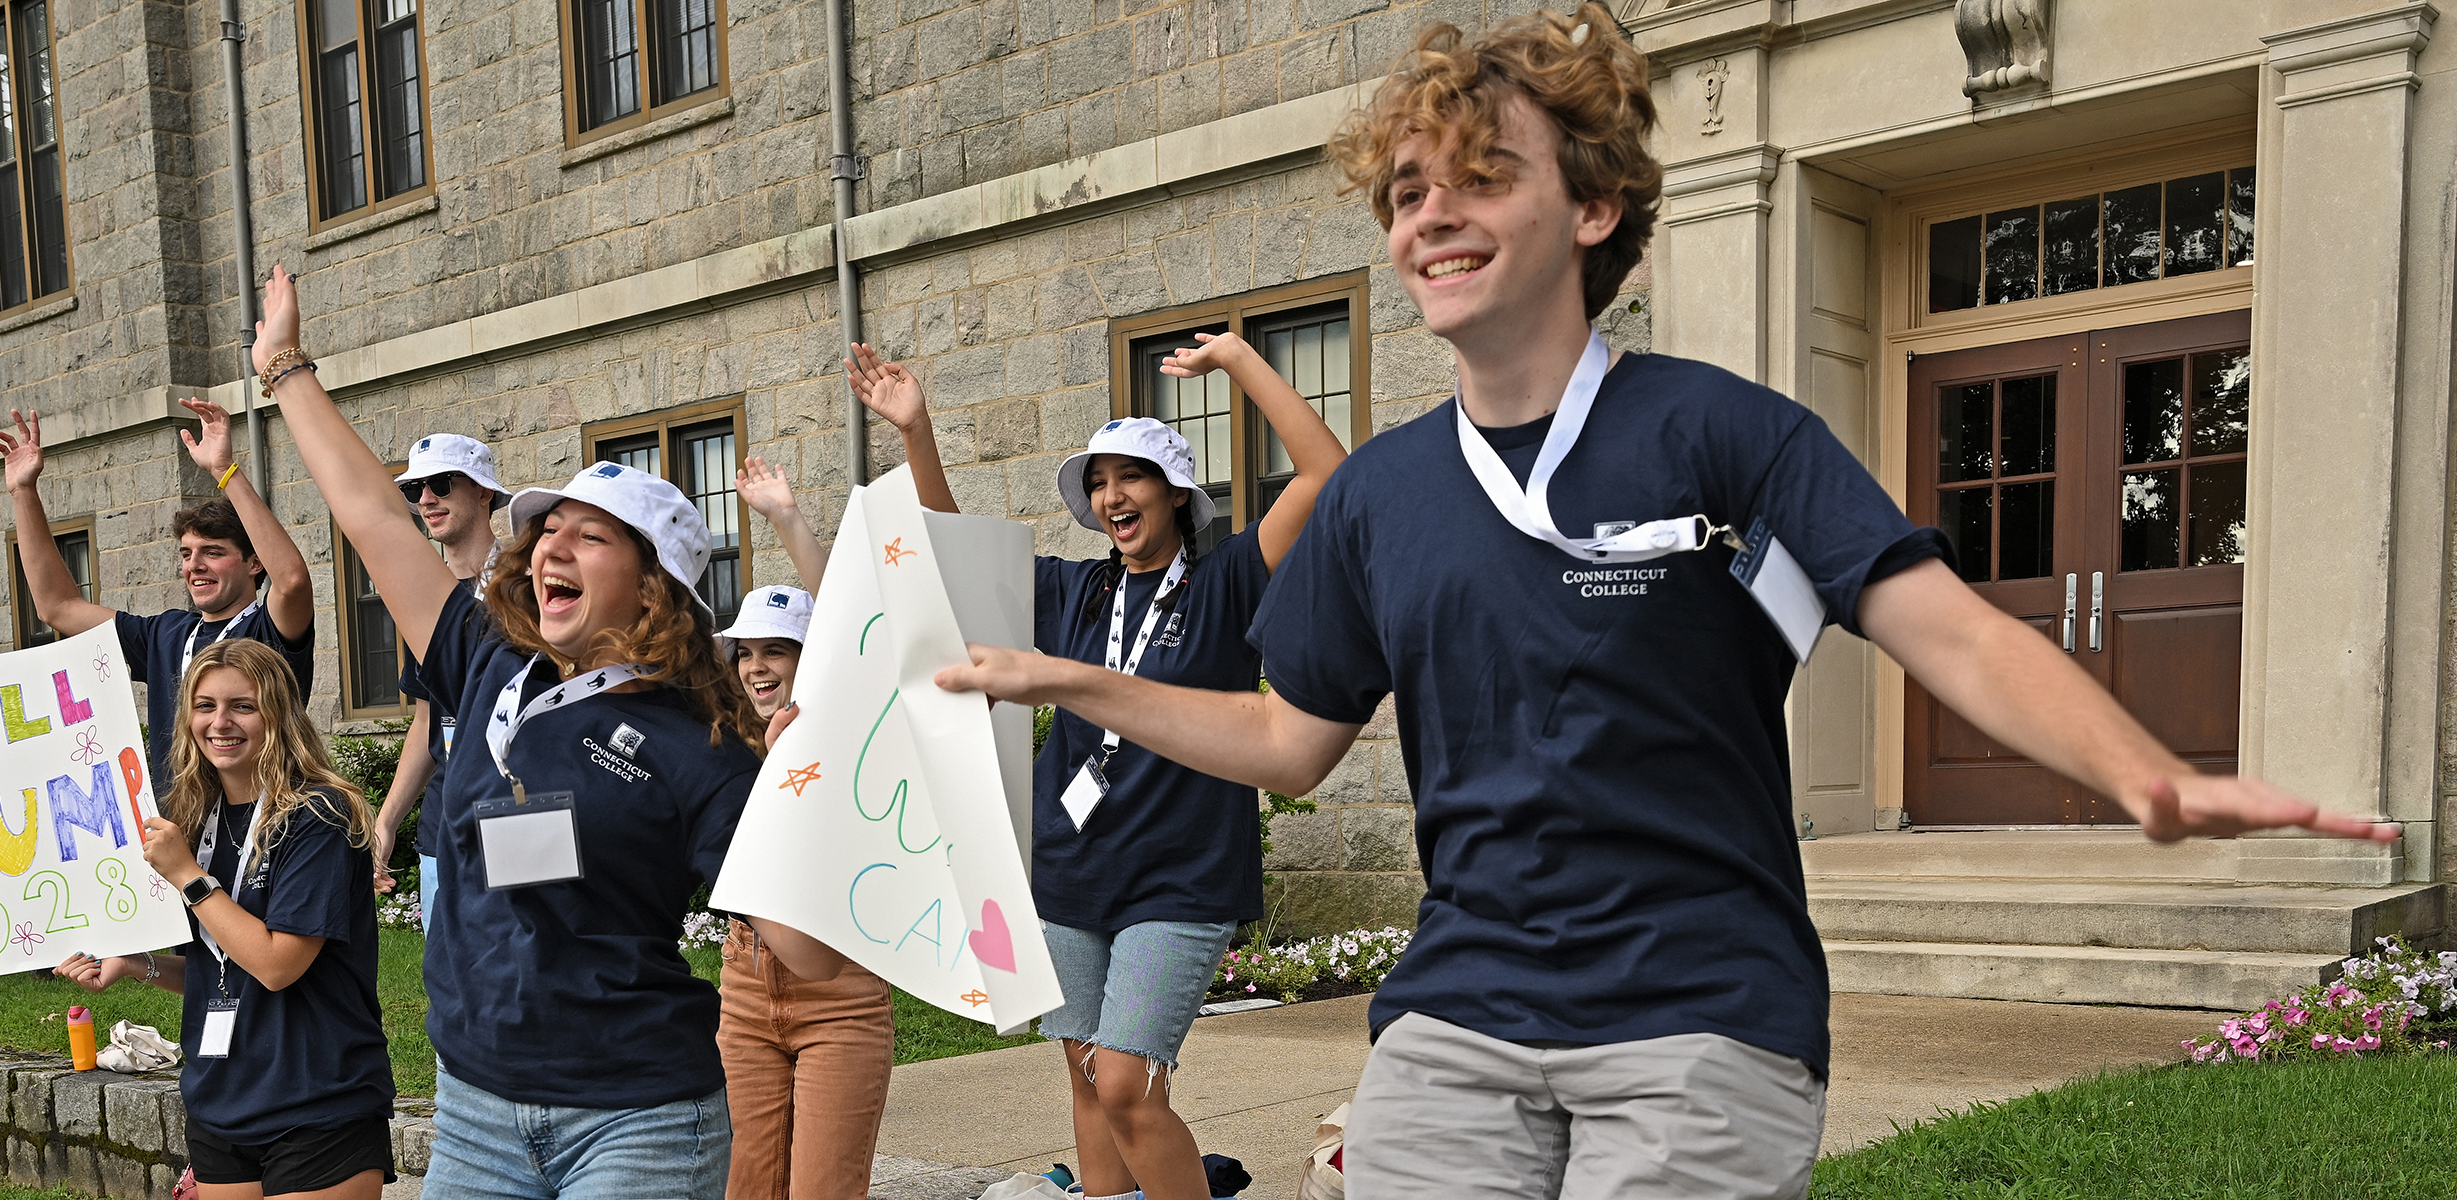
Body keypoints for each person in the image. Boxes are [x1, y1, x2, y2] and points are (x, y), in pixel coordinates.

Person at [931, 7, 2399, 1198]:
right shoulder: (1381, 494)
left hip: (1702, 1007)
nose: (1431, 214)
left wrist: (2140, 771)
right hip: (1463, 1011)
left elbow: (1938, 621)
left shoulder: (1723, 433)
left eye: (1479, 176)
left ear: (1597, 206)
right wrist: (1078, 685)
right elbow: (1286, 742)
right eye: (1406, 192)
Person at [250, 264, 847, 1200]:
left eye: (590, 537)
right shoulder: (487, 658)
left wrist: (796, 794)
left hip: (639, 1119)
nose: (550, 549)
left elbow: (807, 958)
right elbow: (371, 517)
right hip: (477, 1107)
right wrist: (283, 366)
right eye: (547, 531)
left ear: (656, 589)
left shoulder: (706, 745)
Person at [847, 322, 1347, 1200]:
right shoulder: (1077, 590)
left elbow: (1327, 477)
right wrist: (915, 433)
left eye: (1132, 478)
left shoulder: (1230, 577)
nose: (1113, 495)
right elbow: (957, 557)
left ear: (1174, 495)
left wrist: (1235, 360)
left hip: (1181, 879)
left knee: (1127, 1082)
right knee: (1084, 1078)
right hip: (1072, 872)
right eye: (1099, 482)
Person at [56, 639, 394, 1200]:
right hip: (221, 1098)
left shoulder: (318, 814)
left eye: (243, 705)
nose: (221, 722)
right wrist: (136, 963)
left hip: (316, 1100)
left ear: (278, 714)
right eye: (205, 706)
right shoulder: (191, 816)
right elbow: (218, 968)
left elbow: (276, 965)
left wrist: (189, 876)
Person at [713, 459, 901, 1200]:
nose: (758, 669)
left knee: (823, 1189)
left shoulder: (855, 738)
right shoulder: (726, 749)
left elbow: (867, 638)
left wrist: (788, 522)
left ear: (811, 657)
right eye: (747, 653)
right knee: (748, 1187)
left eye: (778, 651)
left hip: (842, 989)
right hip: (746, 981)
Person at [0, 399, 317, 788]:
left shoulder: (271, 630)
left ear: (254, 563)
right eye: (186, 554)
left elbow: (293, 581)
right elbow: (59, 607)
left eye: (213, 553)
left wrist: (223, 471)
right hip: (180, 826)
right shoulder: (166, 635)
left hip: (263, 824)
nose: (194, 565)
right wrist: (23, 492)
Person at [369, 434, 515, 932]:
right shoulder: (422, 604)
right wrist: (387, 821)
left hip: (514, 815)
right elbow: (430, 719)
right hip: (443, 826)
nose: (426, 499)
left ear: (483, 492)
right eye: (415, 490)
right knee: (449, 988)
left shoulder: (526, 589)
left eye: (440, 484)